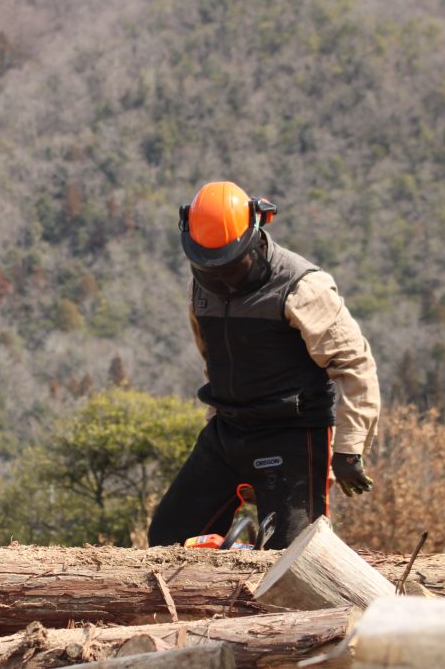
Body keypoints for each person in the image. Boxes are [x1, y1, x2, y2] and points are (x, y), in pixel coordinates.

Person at [147, 181, 380, 550]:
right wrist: (216, 417)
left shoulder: (301, 287)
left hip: (292, 431)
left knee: (292, 555)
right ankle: (223, 580)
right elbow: (215, 360)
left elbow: (354, 364)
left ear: (256, 236)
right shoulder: (200, 290)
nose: (220, 276)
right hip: (228, 429)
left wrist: (349, 448)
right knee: (169, 539)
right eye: (209, 265)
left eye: (230, 264)